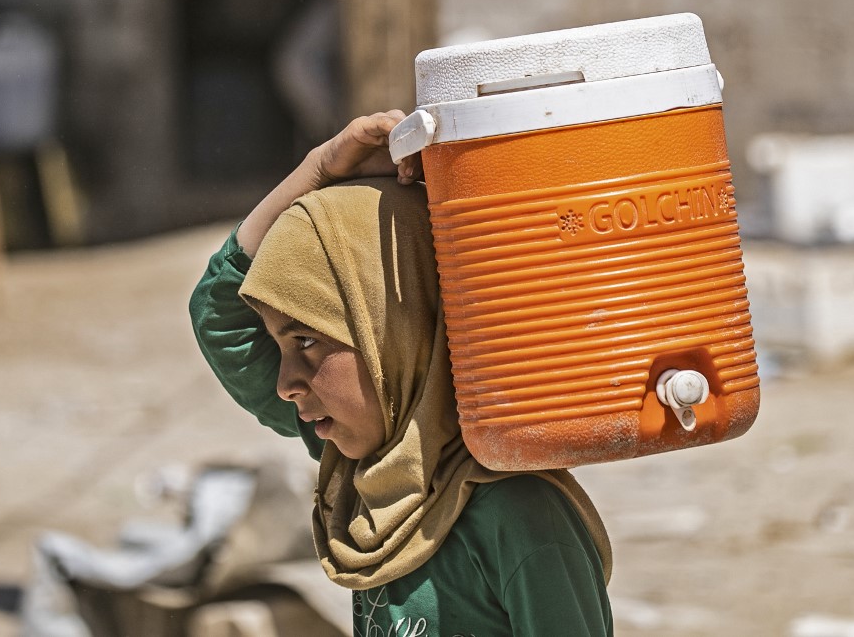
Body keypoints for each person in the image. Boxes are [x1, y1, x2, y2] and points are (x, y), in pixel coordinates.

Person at [189, 111, 614, 636]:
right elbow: (220, 316)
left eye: (307, 340)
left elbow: (219, 320)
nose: (285, 383)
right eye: (281, 346)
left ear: (396, 336)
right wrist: (318, 167)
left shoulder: (521, 517)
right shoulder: (366, 465)